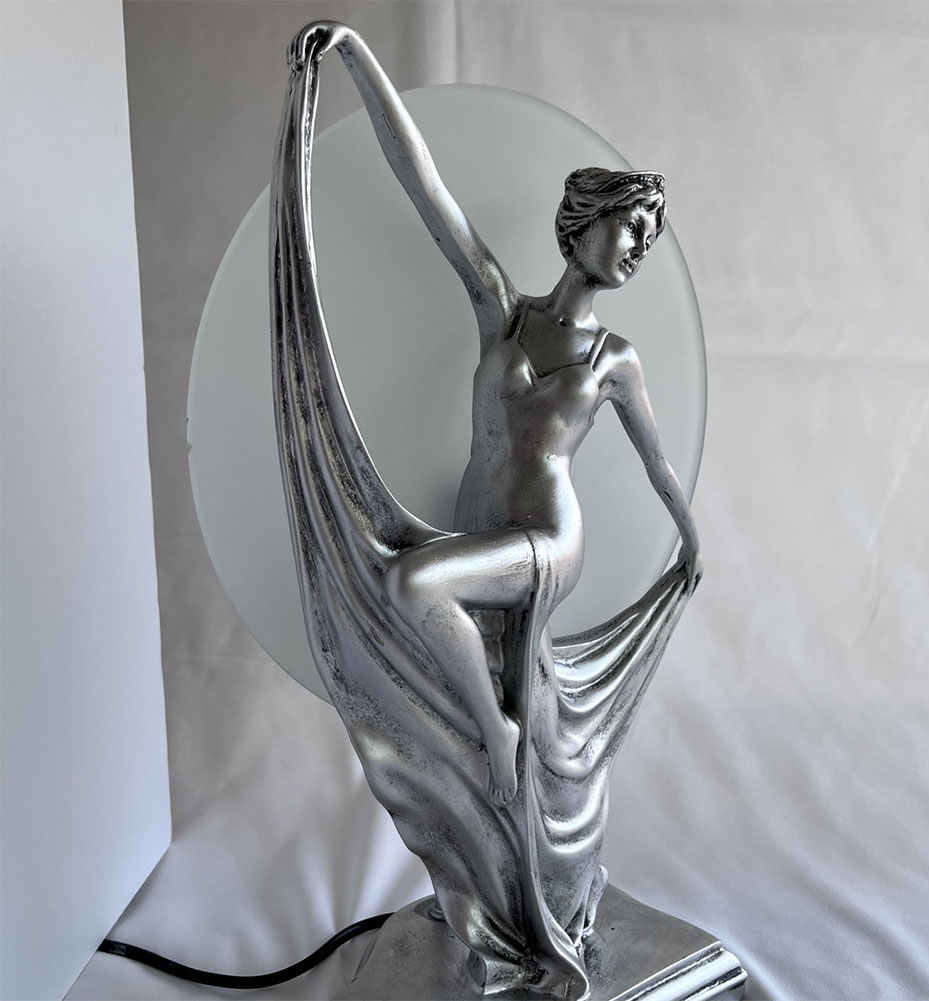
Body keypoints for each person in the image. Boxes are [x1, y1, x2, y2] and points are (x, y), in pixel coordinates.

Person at [274, 22, 703, 995]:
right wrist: (354, 58)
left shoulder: (615, 359)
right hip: (488, 534)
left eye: (648, 236)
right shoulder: (503, 312)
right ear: (580, 222)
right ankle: (503, 877)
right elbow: (426, 190)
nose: (637, 246)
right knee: (414, 600)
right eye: (628, 225)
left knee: (408, 582)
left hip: (547, 542)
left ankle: (498, 733)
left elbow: (657, 459)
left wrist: (691, 542)